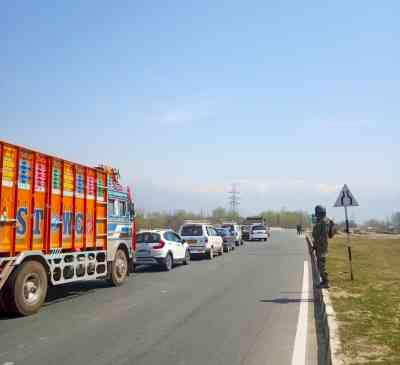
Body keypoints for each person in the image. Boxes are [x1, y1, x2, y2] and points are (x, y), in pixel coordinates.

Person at [312, 205, 335, 288]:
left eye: (317, 212)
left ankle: (326, 282)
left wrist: (316, 244)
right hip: (319, 246)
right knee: (320, 264)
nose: (316, 214)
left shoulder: (324, 222)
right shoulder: (321, 221)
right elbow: (317, 235)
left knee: (321, 265)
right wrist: (315, 245)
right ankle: (324, 281)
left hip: (322, 247)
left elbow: (323, 236)